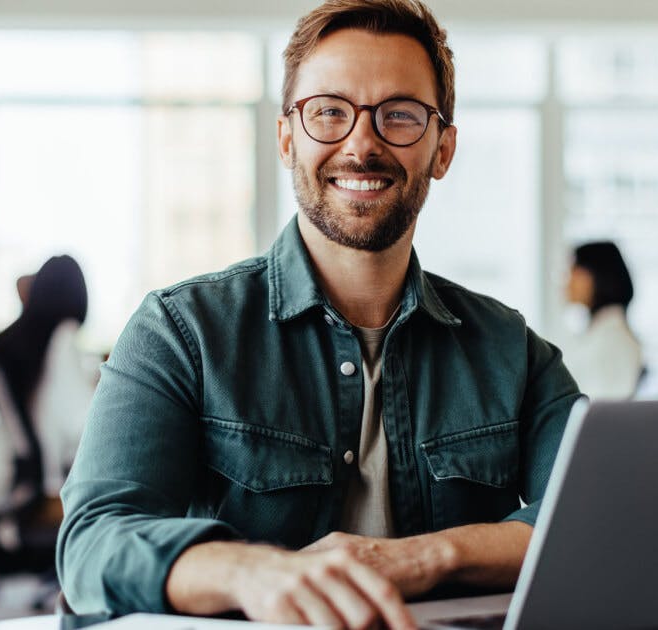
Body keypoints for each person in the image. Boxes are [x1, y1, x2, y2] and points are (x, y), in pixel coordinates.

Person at [56, 2, 581, 627]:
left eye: (400, 115)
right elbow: (92, 542)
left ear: (442, 149)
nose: (362, 144)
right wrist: (256, 571)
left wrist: (425, 557)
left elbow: (593, 517)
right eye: (329, 111)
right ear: (286, 138)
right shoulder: (180, 331)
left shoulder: (513, 350)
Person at [0, 254, 92, 497]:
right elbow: (78, 423)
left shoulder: (9, 344)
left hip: (29, 480)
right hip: (59, 483)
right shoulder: (63, 337)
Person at [560, 241, 643, 400]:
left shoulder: (614, 339)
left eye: (574, 271)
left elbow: (600, 409)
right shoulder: (600, 331)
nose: (567, 281)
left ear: (596, 275)